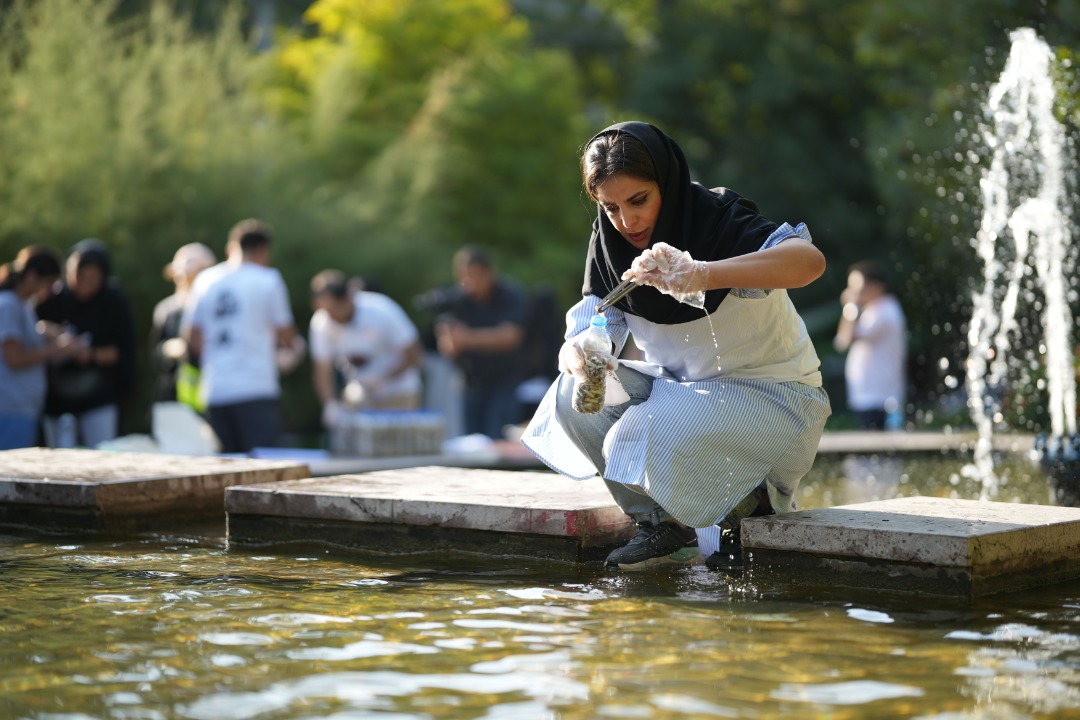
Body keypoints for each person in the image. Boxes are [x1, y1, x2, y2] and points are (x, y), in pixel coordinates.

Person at [521, 121, 831, 572]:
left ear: (666, 183)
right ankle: (663, 527)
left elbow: (809, 262)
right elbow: (597, 315)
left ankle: (749, 506)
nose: (627, 222)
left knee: (646, 428)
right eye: (610, 208)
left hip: (777, 399)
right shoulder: (610, 244)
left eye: (638, 201)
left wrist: (704, 274)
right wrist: (577, 350)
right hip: (686, 399)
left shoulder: (717, 218)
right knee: (574, 396)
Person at [182, 219, 301, 454]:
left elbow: (192, 337)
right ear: (263, 250)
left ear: (231, 247)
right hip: (256, 386)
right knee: (262, 470)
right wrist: (293, 350)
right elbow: (286, 334)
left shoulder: (205, 280)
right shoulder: (268, 279)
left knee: (224, 470)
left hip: (216, 388)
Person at [35, 239, 137, 448]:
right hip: (56, 398)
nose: (84, 282)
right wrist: (52, 333)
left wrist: (87, 354)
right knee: (58, 462)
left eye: (92, 277)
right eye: (78, 275)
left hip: (98, 396)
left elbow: (123, 349)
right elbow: (27, 328)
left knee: (101, 454)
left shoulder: (112, 300)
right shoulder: (51, 297)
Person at [308, 269, 424, 428]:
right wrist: (330, 403)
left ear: (347, 299)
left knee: (394, 449)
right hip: (361, 396)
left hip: (398, 393)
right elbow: (322, 370)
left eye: (334, 309)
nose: (330, 316)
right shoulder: (321, 323)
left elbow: (415, 354)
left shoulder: (381, 310)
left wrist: (386, 378)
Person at [433, 246, 528, 439]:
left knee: (499, 441)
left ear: (489, 272)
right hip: (470, 383)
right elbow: (447, 346)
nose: (469, 282)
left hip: (504, 382)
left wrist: (467, 339)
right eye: (464, 276)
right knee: (473, 442)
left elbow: (510, 337)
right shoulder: (458, 300)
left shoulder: (510, 294)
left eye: (475, 275)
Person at [0, 246, 88, 449]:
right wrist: (59, 349)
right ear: (32, 276)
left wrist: (43, 331)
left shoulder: (22, 304)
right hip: (11, 407)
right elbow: (13, 358)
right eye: (48, 282)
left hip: (22, 406)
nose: (49, 289)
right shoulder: (9, 304)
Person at [833, 260, 907, 430]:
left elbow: (845, 340)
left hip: (879, 399)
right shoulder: (874, 311)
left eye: (857, 287)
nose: (853, 292)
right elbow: (842, 341)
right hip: (872, 397)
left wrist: (850, 307)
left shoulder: (884, 311)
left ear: (876, 286)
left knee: (879, 453)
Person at [149, 243, 217, 411]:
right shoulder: (166, 310)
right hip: (174, 397)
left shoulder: (215, 307)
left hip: (212, 395)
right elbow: (154, 353)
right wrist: (168, 349)